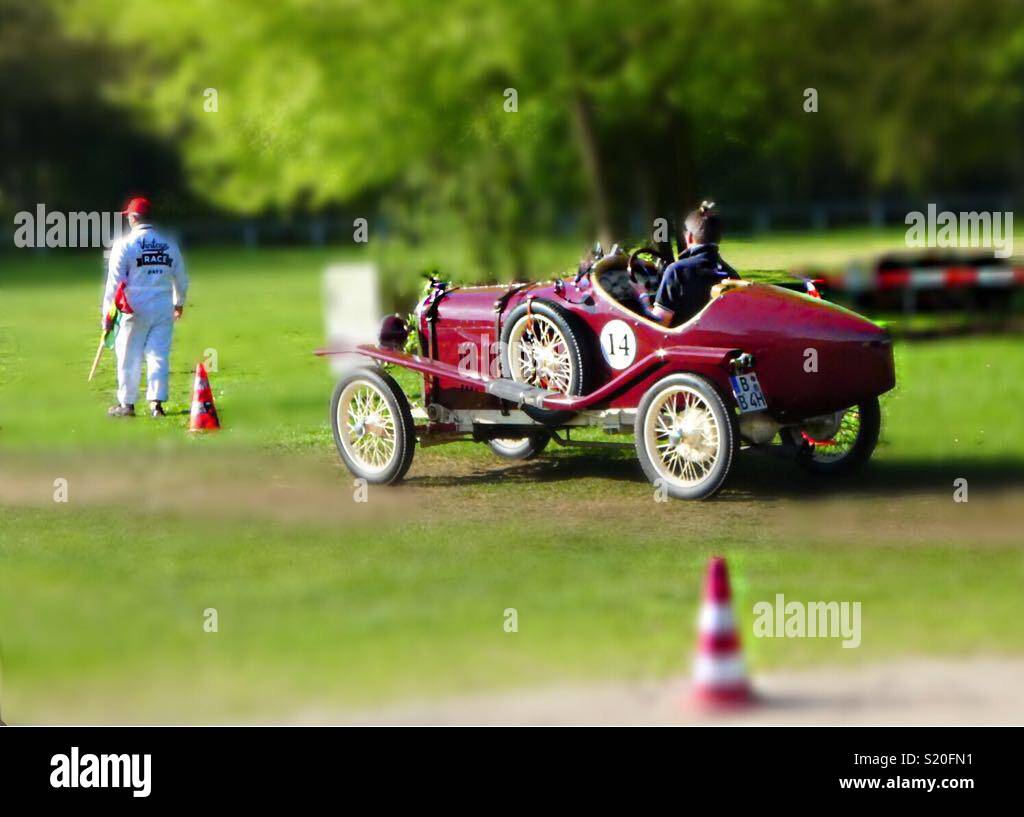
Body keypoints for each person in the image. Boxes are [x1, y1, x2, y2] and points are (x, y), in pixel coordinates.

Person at [101, 196, 188, 417]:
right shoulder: (169, 244)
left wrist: (107, 317)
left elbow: (114, 285)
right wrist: (179, 303)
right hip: (162, 306)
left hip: (133, 308)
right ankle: (156, 405)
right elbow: (181, 278)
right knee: (158, 354)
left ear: (133, 217)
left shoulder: (124, 245)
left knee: (129, 356)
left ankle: (127, 405)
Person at [641, 201, 739, 326]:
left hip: (681, 342)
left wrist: (642, 297)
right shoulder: (732, 275)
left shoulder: (677, 271)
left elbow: (659, 323)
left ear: (689, 237)